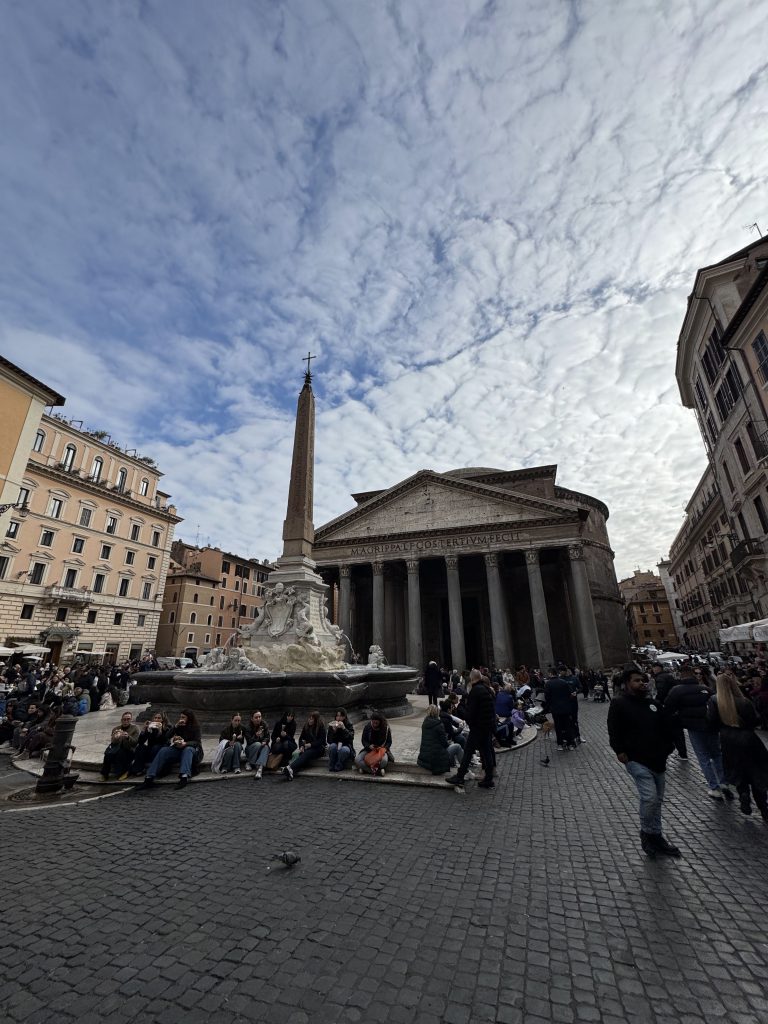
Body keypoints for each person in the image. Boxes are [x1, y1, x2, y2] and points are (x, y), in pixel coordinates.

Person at [607, 668, 680, 858]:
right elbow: (613, 730)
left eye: (644, 680)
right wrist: (620, 751)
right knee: (649, 798)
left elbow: (666, 727)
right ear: (627, 684)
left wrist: (669, 747)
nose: (642, 683)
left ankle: (657, 836)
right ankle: (647, 834)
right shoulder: (619, 703)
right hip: (636, 759)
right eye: (637, 680)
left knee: (657, 800)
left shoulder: (653, 704)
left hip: (658, 759)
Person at [707, 672, 768, 820]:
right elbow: (755, 720)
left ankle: (743, 794)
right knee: (756, 773)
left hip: (728, 741)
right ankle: (764, 808)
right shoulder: (744, 701)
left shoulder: (715, 701)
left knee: (738, 771)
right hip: (748, 739)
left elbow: (711, 723)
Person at [664, 664, 729, 800]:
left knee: (703, 757)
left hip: (694, 727)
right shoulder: (704, 689)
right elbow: (717, 704)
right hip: (711, 726)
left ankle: (714, 787)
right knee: (717, 754)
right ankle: (724, 783)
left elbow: (668, 708)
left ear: (680, 674)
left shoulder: (676, 691)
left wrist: (677, 719)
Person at [445, 668, 496, 790]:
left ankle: (460, 776)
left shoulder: (475, 691)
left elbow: (471, 713)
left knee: (467, 752)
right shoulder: (487, 689)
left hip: (478, 727)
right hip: (487, 726)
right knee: (486, 752)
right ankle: (489, 779)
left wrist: (468, 721)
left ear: (472, 679)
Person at [137, 710, 203, 790]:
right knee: (164, 750)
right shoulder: (179, 726)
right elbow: (168, 736)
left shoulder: (196, 727)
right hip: (178, 748)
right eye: (180, 717)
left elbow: (197, 742)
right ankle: (149, 777)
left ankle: (184, 777)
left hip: (192, 750)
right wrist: (176, 727)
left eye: (183, 717)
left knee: (187, 750)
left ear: (189, 718)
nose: (181, 719)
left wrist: (185, 743)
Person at [650, 662, 687, 759]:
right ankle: (683, 752)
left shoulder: (660, 678)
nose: (654, 669)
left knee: (670, 730)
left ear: (659, 668)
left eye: (655, 668)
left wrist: (656, 702)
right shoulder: (669, 676)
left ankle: (675, 750)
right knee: (678, 731)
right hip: (674, 707)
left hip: (666, 707)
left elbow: (661, 692)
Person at [418, 704, 462, 774]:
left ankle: (453, 765)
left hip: (424, 758)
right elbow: (444, 744)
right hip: (436, 758)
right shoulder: (439, 724)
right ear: (437, 713)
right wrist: (448, 741)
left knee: (451, 745)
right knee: (457, 747)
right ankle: (464, 771)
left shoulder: (425, 724)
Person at [283, 711, 326, 781]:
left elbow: (321, 741)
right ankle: (291, 772)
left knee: (306, 754)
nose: (309, 720)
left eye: (312, 719)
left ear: (316, 720)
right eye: (309, 718)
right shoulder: (306, 726)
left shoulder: (321, 727)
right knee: (303, 758)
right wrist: (301, 746)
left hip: (319, 749)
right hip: (308, 748)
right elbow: (301, 738)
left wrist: (311, 744)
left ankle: (290, 767)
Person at [99, 711, 140, 781]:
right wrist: (115, 737)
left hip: (129, 749)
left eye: (128, 719)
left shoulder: (135, 728)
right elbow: (113, 742)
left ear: (131, 720)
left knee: (121, 753)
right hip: (117, 748)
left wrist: (128, 737)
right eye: (124, 719)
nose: (126, 721)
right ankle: (104, 774)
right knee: (108, 754)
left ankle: (124, 772)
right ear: (121, 720)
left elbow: (135, 742)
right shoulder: (116, 729)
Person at [542, 671, 578, 750]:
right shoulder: (564, 682)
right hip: (566, 708)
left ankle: (560, 744)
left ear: (551, 674)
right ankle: (570, 744)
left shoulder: (548, 684)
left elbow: (547, 697)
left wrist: (547, 708)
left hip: (555, 709)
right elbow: (570, 694)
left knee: (558, 727)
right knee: (567, 726)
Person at [355, 711, 393, 776]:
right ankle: (377, 772)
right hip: (369, 750)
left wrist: (383, 748)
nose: (374, 724)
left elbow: (389, 742)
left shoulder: (386, 728)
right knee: (357, 759)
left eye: (376, 722)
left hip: (381, 750)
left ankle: (365, 770)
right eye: (373, 722)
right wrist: (369, 746)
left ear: (380, 722)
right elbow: (363, 740)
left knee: (384, 762)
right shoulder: (367, 727)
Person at [326, 708, 355, 772]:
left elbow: (351, 738)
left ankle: (339, 765)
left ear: (344, 717)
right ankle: (331, 765)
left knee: (344, 750)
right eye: (337, 716)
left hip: (346, 745)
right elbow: (329, 740)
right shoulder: (332, 725)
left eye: (341, 716)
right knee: (332, 746)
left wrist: (344, 728)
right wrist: (334, 731)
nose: (338, 718)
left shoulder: (348, 724)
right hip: (335, 745)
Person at [245, 710, 271, 779]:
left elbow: (268, 737)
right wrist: (256, 735)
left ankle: (260, 769)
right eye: (256, 717)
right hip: (251, 749)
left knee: (266, 747)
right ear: (252, 719)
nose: (258, 719)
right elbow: (249, 741)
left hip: (261, 748)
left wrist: (265, 741)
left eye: (259, 717)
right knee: (257, 744)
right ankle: (250, 762)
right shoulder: (248, 727)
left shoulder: (264, 724)